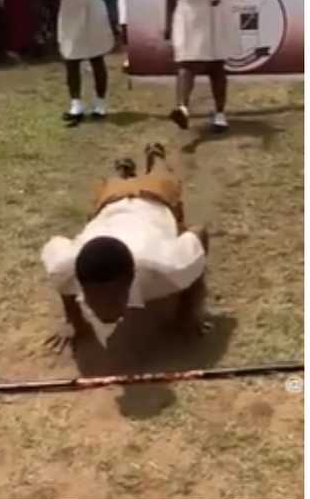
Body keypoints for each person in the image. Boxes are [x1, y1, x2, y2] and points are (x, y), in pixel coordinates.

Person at [40, 143, 210, 352]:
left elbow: (199, 232)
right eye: (95, 299)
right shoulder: (64, 267)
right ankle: (124, 170)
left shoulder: (170, 267)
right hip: (110, 203)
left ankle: (154, 154)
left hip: (155, 197)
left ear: (132, 277)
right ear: (81, 284)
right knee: (115, 185)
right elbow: (63, 281)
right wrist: (73, 321)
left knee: (159, 172)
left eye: (113, 298)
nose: (105, 309)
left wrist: (187, 311)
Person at [44, 0, 116, 126]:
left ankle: (100, 103)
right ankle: (76, 104)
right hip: (69, 6)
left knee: (96, 55)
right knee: (71, 57)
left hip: (91, 3)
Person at [164, 0, 234, 132]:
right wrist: (168, 20)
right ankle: (182, 108)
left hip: (212, 4)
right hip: (187, 6)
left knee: (215, 64)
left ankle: (220, 113)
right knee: (186, 60)